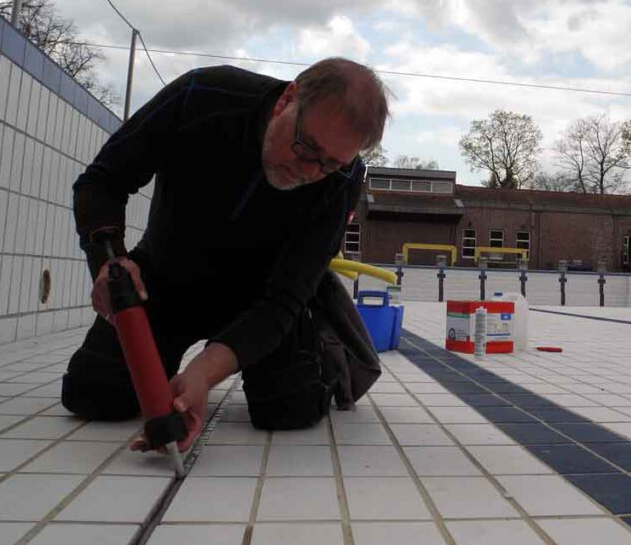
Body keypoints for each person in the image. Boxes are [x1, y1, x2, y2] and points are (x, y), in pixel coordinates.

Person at [61, 58, 390, 449]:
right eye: (306, 147)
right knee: (95, 395)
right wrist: (110, 259)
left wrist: (203, 373)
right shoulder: (204, 97)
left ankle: (321, 346)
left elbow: (285, 297)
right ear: (287, 99)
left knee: (289, 410)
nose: (307, 171)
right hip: (164, 281)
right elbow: (102, 181)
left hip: (258, 301)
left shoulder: (343, 180)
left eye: (330, 164)